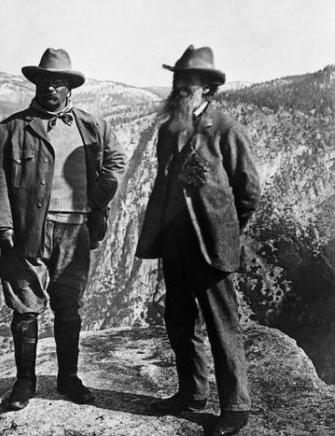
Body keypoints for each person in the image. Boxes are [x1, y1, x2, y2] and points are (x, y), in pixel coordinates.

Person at [0, 48, 126, 411]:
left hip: (76, 230)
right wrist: (3, 225)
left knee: (69, 307)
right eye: (45, 81)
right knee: (25, 306)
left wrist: (97, 197)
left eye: (59, 82)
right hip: (28, 231)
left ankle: (69, 379)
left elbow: (116, 161)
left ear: (69, 88)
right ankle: (24, 383)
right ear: (36, 84)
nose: (51, 88)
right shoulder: (12, 128)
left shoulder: (92, 126)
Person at [136, 45, 260, 436]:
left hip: (212, 244)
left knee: (222, 324)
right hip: (175, 242)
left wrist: (228, 229)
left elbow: (249, 189)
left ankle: (236, 407)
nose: (179, 87)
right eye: (177, 79)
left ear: (207, 87)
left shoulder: (225, 128)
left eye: (187, 81)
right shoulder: (168, 129)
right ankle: (192, 392)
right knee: (178, 319)